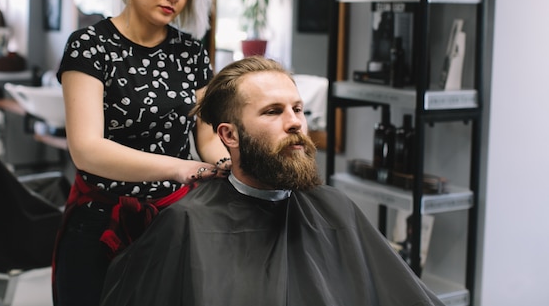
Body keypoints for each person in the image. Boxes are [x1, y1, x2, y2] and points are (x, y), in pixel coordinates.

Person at [99, 56, 445, 306]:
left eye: (298, 109)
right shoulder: (187, 223)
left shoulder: (336, 209)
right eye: (273, 111)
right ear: (229, 135)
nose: (294, 122)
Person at [53, 0, 231, 306]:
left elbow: (207, 137)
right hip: (99, 222)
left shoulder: (191, 53)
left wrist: (235, 166)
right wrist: (179, 168)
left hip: (173, 223)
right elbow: (87, 149)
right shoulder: (90, 46)